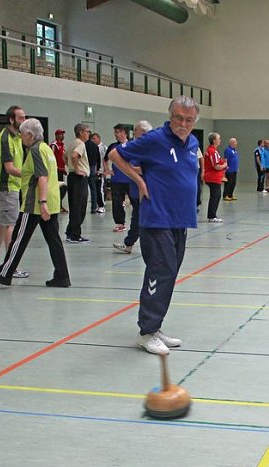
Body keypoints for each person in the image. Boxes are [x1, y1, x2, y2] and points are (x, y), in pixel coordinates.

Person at [108, 96, 199, 356]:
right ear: (171, 116)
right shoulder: (156, 139)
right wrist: (138, 180)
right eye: (179, 118)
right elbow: (115, 154)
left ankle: (155, 326)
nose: (183, 123)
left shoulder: (192, 142)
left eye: (189, 119)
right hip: (157, 218)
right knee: (160, 270)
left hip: (179, 220)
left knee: (170, 273)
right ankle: (146, 332)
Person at [0, 119, 70, 287]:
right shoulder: (46, 149)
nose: (21, 138)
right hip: (52, 201)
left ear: (30, 135)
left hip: (35, 204)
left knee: (18, 239)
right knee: (54, 240)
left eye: (22, 135)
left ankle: (5, 273)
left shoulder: (36, 150)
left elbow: (42, 177)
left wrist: (42, 201)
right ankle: (62, 276)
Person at [0, 106, 29, 278]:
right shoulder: (4, 139)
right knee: (12, 225)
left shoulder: (17, 137)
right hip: (6, 186)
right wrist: (29, 175)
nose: (23, 121)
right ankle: (11, 265)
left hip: (14, 185)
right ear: (11, 120)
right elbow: (9, 168)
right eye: (21, 118)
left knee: (4, 222)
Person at [113, 120, 152, 255]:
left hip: (144, 190)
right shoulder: (135, 147)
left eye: (136, 130)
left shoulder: (148, 148)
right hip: (135, 189)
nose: (134, 132)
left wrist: (130, 169)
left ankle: (130, 243)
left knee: (140, 218)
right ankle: (129, 243)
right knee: (137, 217)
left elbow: (146, 168)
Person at [65, 123, 91, 243]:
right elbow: (75, 156)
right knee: (80, 206)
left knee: (74, 205)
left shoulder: (71, 143)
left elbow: (64, 157)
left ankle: (70, 231)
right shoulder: (80, 144)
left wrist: (69, 167)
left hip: (71, 177)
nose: (88, 134)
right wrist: (76, 169)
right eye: (87, 131)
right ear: (80, 132)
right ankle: (75, 234)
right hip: (78, 178)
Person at [107, 124, 131, 233]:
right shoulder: (113, 146)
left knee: (136, 201)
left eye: (118, 132)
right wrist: (107, 170)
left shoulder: (132, 145)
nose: (116, 134)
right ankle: (120, 223)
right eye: (115, 132)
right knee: (117, 202)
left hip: (131, 179)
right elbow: (105, 158)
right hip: (117, 179)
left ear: (124, 133)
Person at [203, 132, 226, 222]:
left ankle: (212, 215)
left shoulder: (213, 150)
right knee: (215, 196)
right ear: (214, 140)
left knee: (216, 195)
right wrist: (224, 165)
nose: (220, 140)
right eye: (218, 138)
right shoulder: (212, 151)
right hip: (212, 177)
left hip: (215, 177)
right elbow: (216, 166)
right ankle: (212, 216)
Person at [86, 132, 103, 215]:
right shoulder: (95, 146)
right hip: (93, 167)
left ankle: (82, 207)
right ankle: (93, 207)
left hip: (85, 167)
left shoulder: (84, 145)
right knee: (94, 189)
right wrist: (98, 168)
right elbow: (98, 158)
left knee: (84, 189)